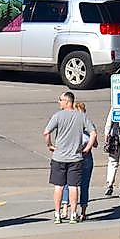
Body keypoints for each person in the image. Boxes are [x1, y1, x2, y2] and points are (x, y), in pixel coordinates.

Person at [45, 91, 96, 223]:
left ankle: (57, 213)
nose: (59, 102)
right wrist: (87, 148)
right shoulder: (81, 117)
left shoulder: (57, 116)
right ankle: (73, 214)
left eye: (60, 100)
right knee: (74, 186)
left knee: (59, 186)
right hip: (76, 157)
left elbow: (46, 132)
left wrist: (50, 145)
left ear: (67, 101)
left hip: (59, 157)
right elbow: (93, 134)